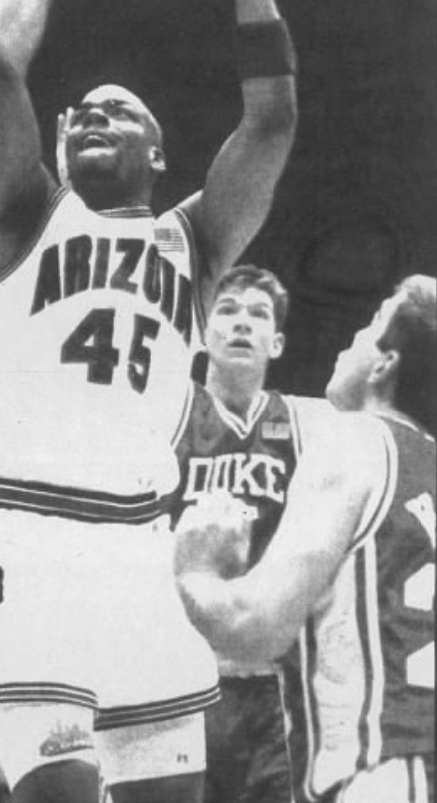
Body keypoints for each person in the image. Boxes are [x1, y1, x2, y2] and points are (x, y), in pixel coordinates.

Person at [0, 0, 298, 803]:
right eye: (82, 114)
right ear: (61, 144)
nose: (93, 117)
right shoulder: (26, 215)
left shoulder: (193, 243)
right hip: (27, 536)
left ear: (158, 153)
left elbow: (271, 119)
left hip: (140, 546)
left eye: (121, 111)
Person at [174, 275, 436, 803]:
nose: (350, 337)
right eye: (228, 311)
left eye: (368, 326)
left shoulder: (342, 433)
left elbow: (251, 627)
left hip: (385, 770)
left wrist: (195, 568)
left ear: (384, 365)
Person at [168, 264, 330, 803]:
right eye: (228, 309)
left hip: (274, 682)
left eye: (258, 314)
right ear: (203, 333)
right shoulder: (170, 412)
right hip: (183, 674)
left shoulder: (308, 423)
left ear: (276, 342)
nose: (242, 322)